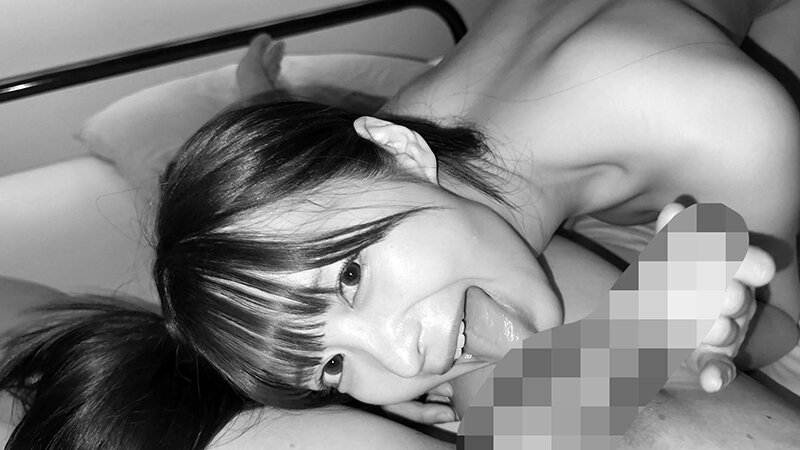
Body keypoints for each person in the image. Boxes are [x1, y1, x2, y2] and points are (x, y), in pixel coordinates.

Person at [2, 0, 800, 448]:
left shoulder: (732, 127)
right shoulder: (394, 162)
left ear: (398, 151)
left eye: (349, 276)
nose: (403, 357)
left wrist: (686, 325)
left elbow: (775, 324)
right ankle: (262, 98)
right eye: (333, 369)